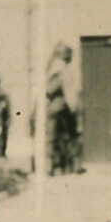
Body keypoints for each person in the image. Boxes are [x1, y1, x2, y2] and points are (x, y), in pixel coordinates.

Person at [46, 43, 79, 174]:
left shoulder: (59, 70)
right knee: (60, 137)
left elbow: (49, 90)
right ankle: (62, 165)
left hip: (59, 107)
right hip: (64, 107)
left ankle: (55, 166)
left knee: (54, 137)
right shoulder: (61, 70)